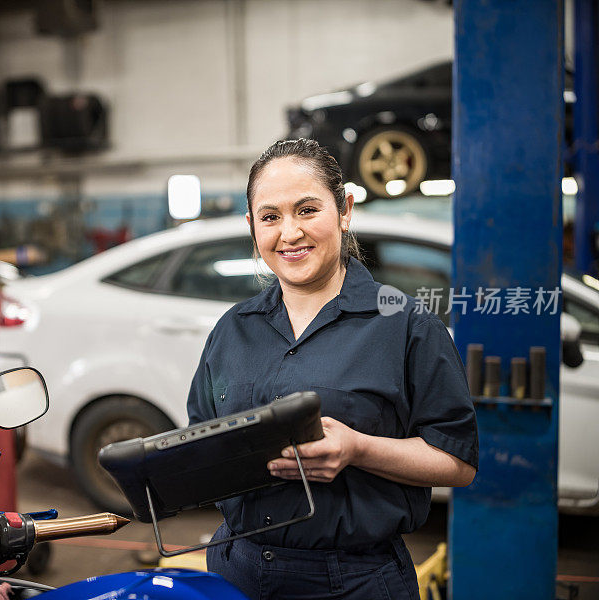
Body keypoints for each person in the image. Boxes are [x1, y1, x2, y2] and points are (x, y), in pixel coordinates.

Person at [187, 139, 478, 600]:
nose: (289, 233)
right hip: (235, 571)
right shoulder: (233, 329)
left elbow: (458, 463)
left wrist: (359, 449)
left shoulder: (406, 325)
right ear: (252, 227)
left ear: (344, 210)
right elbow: (201, 443)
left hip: (354, 580)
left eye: (306, 210)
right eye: (270, 217)